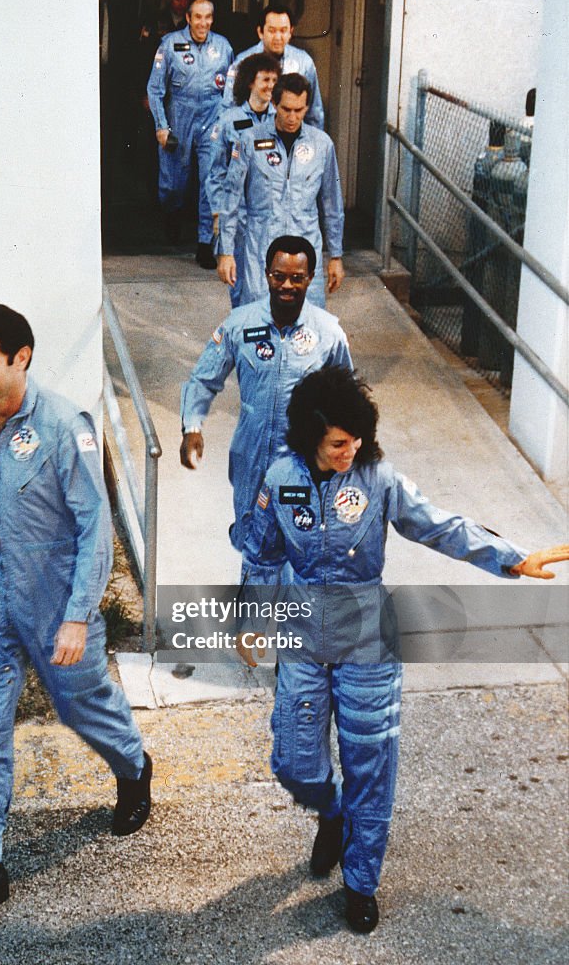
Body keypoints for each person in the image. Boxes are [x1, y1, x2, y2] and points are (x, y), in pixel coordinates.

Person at [239, 365, 569, 933]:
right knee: (294, 757)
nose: (352, 450)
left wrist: (512, 557)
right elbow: (263, 552)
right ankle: (330, 815)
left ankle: (361, 882)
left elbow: (439, 525)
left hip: (368, 633)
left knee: (371, 764)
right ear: (310, 435)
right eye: (340, 442)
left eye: (359, 439)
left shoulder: (379, 479)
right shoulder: (279, 477)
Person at [0, 305, 152, 925]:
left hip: (55, 601)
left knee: (81, 704)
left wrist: (78, 615)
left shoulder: (62, 426)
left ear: (21, 358)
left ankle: (133, 766)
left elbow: (94, 527)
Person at [180, 237, 353, 552]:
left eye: (297, 278)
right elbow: (203, 378)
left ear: (310, 278)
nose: (287, 285)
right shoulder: (240, 324)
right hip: (251, 455)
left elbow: (348, 402)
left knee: (299, 545)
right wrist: (192, 426)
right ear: (266, 274)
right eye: (279, 276)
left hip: (301, 460)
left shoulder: (328, 333)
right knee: (252, 541)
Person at [217, 73, 345, 308]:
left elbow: (331, 204)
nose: (292, 117)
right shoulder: (249, 141)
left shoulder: (322, 145)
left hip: (305, 249)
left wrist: (335, 256)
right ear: (275, 104)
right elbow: (231, 198)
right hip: (261, 248)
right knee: (256, 317)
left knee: (308, 321)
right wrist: (226, 252)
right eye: (286, 109)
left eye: (299, 110)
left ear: (307, 107)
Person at [147, 0, 233, 266]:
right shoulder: (170, 45)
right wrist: (161, 126)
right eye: (198, 17)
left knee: (211, 179)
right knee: (174, 183)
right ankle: (172, 212)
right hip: (179, 116)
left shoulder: (223, 46)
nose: (203, 23)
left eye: (208, 17)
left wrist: (228, 123)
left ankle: (205, 243)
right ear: (188, 18)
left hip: (212, 117)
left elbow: (232, 90)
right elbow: (155, 89)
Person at [205, 52, 280, 307]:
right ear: (250, 82)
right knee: (239, 289)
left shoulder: (280, 120)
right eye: (265, 79)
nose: (271, 86)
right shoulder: (229, 121)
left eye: (274, 80)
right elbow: (215, 173)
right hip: (237, 218)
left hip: (270, 217)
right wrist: (217, 213)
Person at [222, 5, 324, 129]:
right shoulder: (242, 62)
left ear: (290, 32)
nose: (278, 37)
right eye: (272, 30)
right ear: (260, 32)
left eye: (283, 30)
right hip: (252, 136)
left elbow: (314, 113)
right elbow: (229, 106)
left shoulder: (304, 62)